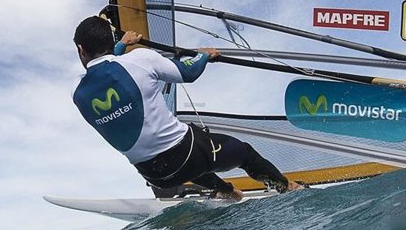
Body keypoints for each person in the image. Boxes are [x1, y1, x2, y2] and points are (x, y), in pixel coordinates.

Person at [71, 15, 303, 199]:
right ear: (110, 41)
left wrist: (121, 45)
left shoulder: (77, 92)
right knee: (244, 153)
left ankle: (227, 191)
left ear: (81, 49)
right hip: (188, 153)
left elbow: (106, 68)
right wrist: (203, 56)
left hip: (156, 176)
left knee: (188, 166)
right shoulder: (141, 59)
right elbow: (188, 72)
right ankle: (286, 187)